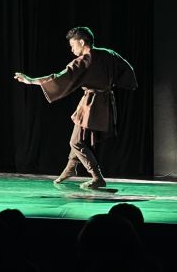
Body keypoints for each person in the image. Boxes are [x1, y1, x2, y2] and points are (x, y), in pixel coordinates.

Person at [14, 27, 136, 189]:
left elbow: (58, 78)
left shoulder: (84, 61)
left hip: (92, 104)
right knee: (78, 137)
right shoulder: (108, 54)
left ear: (82, 42)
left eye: (73, 45)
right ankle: (70, 169)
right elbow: (128, 71)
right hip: (104, 102)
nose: (71, 49)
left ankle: (97, 176)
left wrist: (31, 80)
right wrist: (113, 82)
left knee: (77, 142)